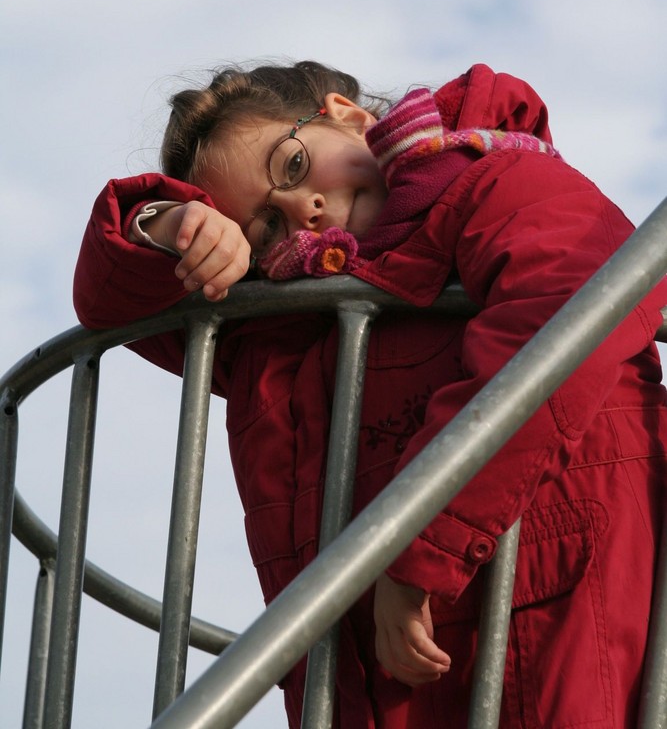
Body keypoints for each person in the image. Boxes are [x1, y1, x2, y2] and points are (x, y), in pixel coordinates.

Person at [74, 59, 667, 728]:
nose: (300, 212)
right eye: (261, 226)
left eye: (293, 167)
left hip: (550, 626)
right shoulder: (276, 323)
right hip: (359, 683)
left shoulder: (491, 181)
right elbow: (109, 306)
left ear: (348, 116)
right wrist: (169, 225)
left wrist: (414, 548)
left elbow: (566, 320)